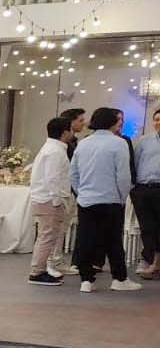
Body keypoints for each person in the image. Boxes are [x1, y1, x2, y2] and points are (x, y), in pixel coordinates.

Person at [69, 106, 137, 292]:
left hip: (86, 200)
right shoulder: (119, 143)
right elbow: (123, 176)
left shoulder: (84, 143)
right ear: (112, 122)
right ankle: (119, 279)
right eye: (118, 120)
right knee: (113, 241)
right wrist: (122, 197)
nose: (120, 123)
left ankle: (86, 280)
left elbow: (73, 173)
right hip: (111, 200)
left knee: (86, 239)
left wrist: (81, 192)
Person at [27, 116, 74, 286]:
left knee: (46, 236)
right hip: (49, 199)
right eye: (70, 130)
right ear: (64, 132)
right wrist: (57, 200)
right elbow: (52, 178)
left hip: (45, 198)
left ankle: (40, 269)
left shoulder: (51, 148)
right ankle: (37, 272)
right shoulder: (55, 151)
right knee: (47, 236)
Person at [130, 106, 160, 278]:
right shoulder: (144, 141)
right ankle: (148, 260)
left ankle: (155, 264)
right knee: (147, 227)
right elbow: (135, 163)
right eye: (156, 119)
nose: (158, 123)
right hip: (143, 189)